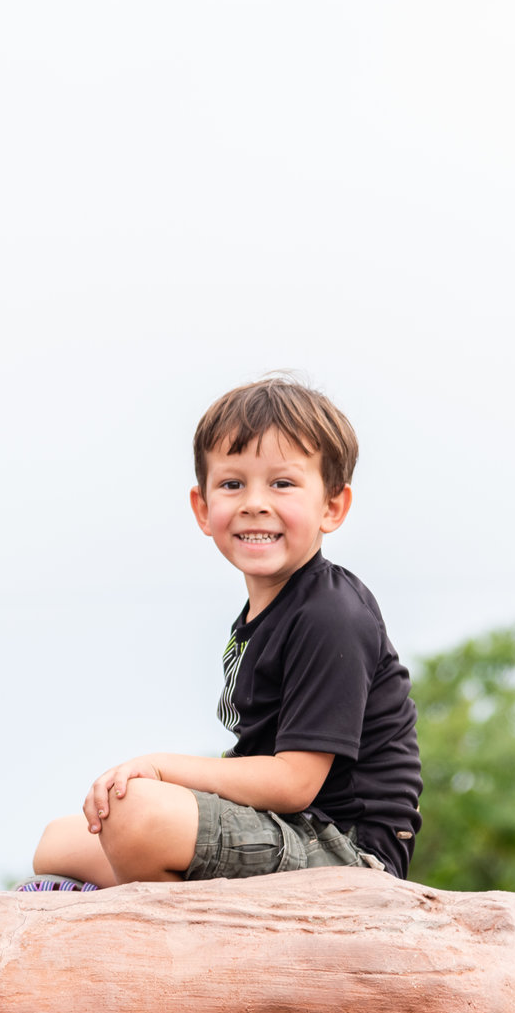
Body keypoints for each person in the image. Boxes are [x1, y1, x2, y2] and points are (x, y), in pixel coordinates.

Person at [27, 376, 423, 887]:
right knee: (59, 839)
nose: (254, 503)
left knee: (136, 812)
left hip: (346, 853)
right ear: (202, 507)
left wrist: (161, 767)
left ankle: (181, 941)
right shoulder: (260, 618)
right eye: (233, 484)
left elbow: (294, 782)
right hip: (285, 830)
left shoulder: (331, 614)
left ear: (332, 507)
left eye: (282, 483)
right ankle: (142, 892)